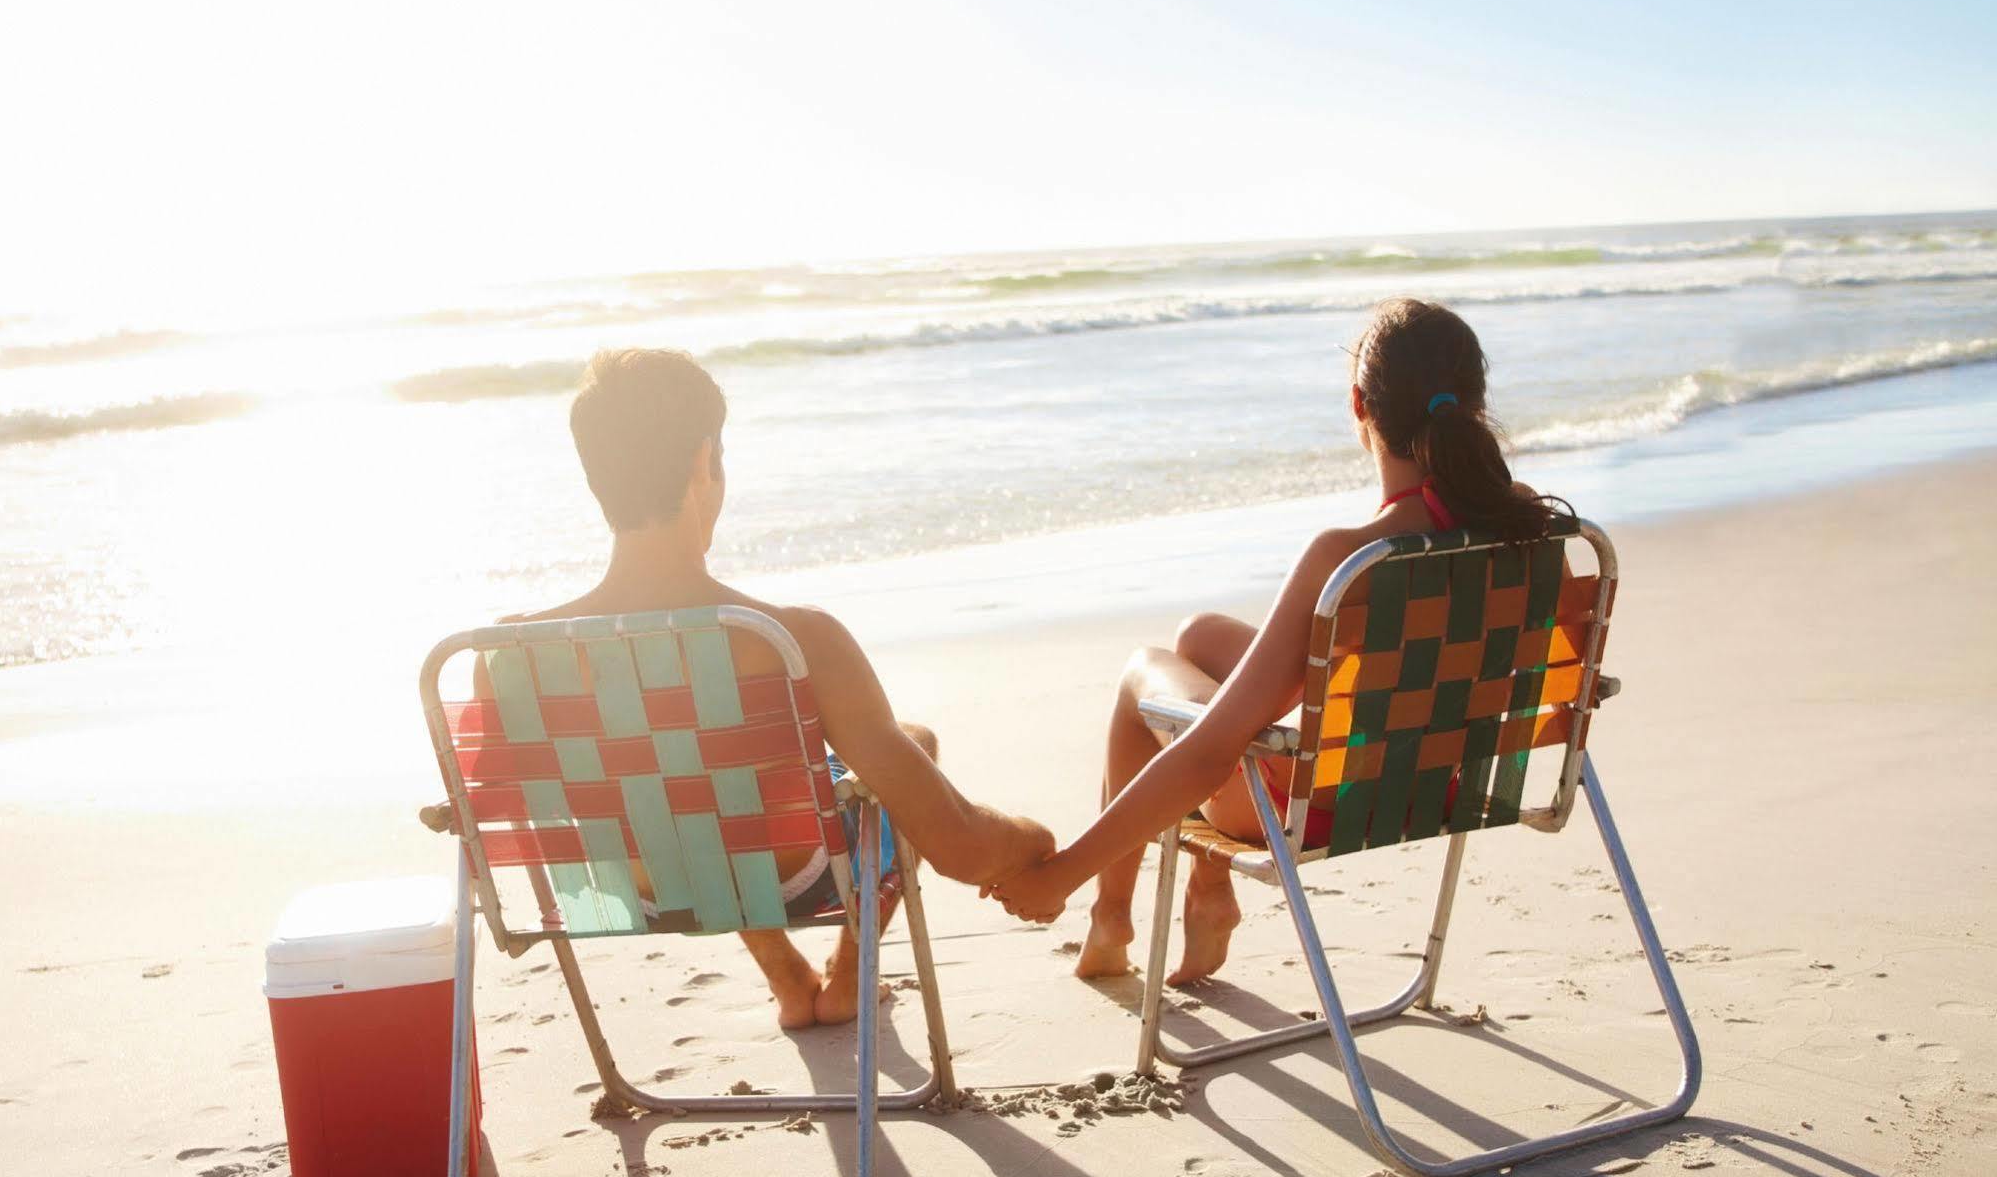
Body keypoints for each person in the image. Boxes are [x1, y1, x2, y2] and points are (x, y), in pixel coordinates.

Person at [985, 298, 1564, 985]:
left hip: (1323, 807)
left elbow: (1208, 756)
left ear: (1359, 405)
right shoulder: (1529, 522)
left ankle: (1109, 913)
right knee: (1199, 635)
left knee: (1144, 673)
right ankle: (1205, 894)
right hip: (1444, 783)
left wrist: (1060, 870)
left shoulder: (1351, 561)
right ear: (1472, 402)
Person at [498, 347, 1054, 1029]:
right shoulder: (791, 639)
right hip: (786, 879)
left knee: (677, 784)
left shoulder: (509, 652)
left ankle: (790, 977)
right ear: (705, 462)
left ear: (594, 481)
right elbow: (961, 847)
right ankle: (850, 975)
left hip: (617, 889)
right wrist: (1036, 845)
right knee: (901, 748)